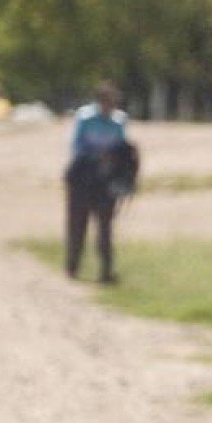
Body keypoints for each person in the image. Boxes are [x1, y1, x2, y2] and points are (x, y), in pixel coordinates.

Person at [65, 81, 135, 284]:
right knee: (78, 225)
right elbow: (77, 146)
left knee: (105, 228)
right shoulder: (85, 118)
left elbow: (122, 148)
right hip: (83, 178)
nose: (110, 106)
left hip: (106, 181)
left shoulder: (119, 121)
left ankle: (106, 269)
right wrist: (95, 157)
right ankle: (72, 266)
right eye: (107, 102)